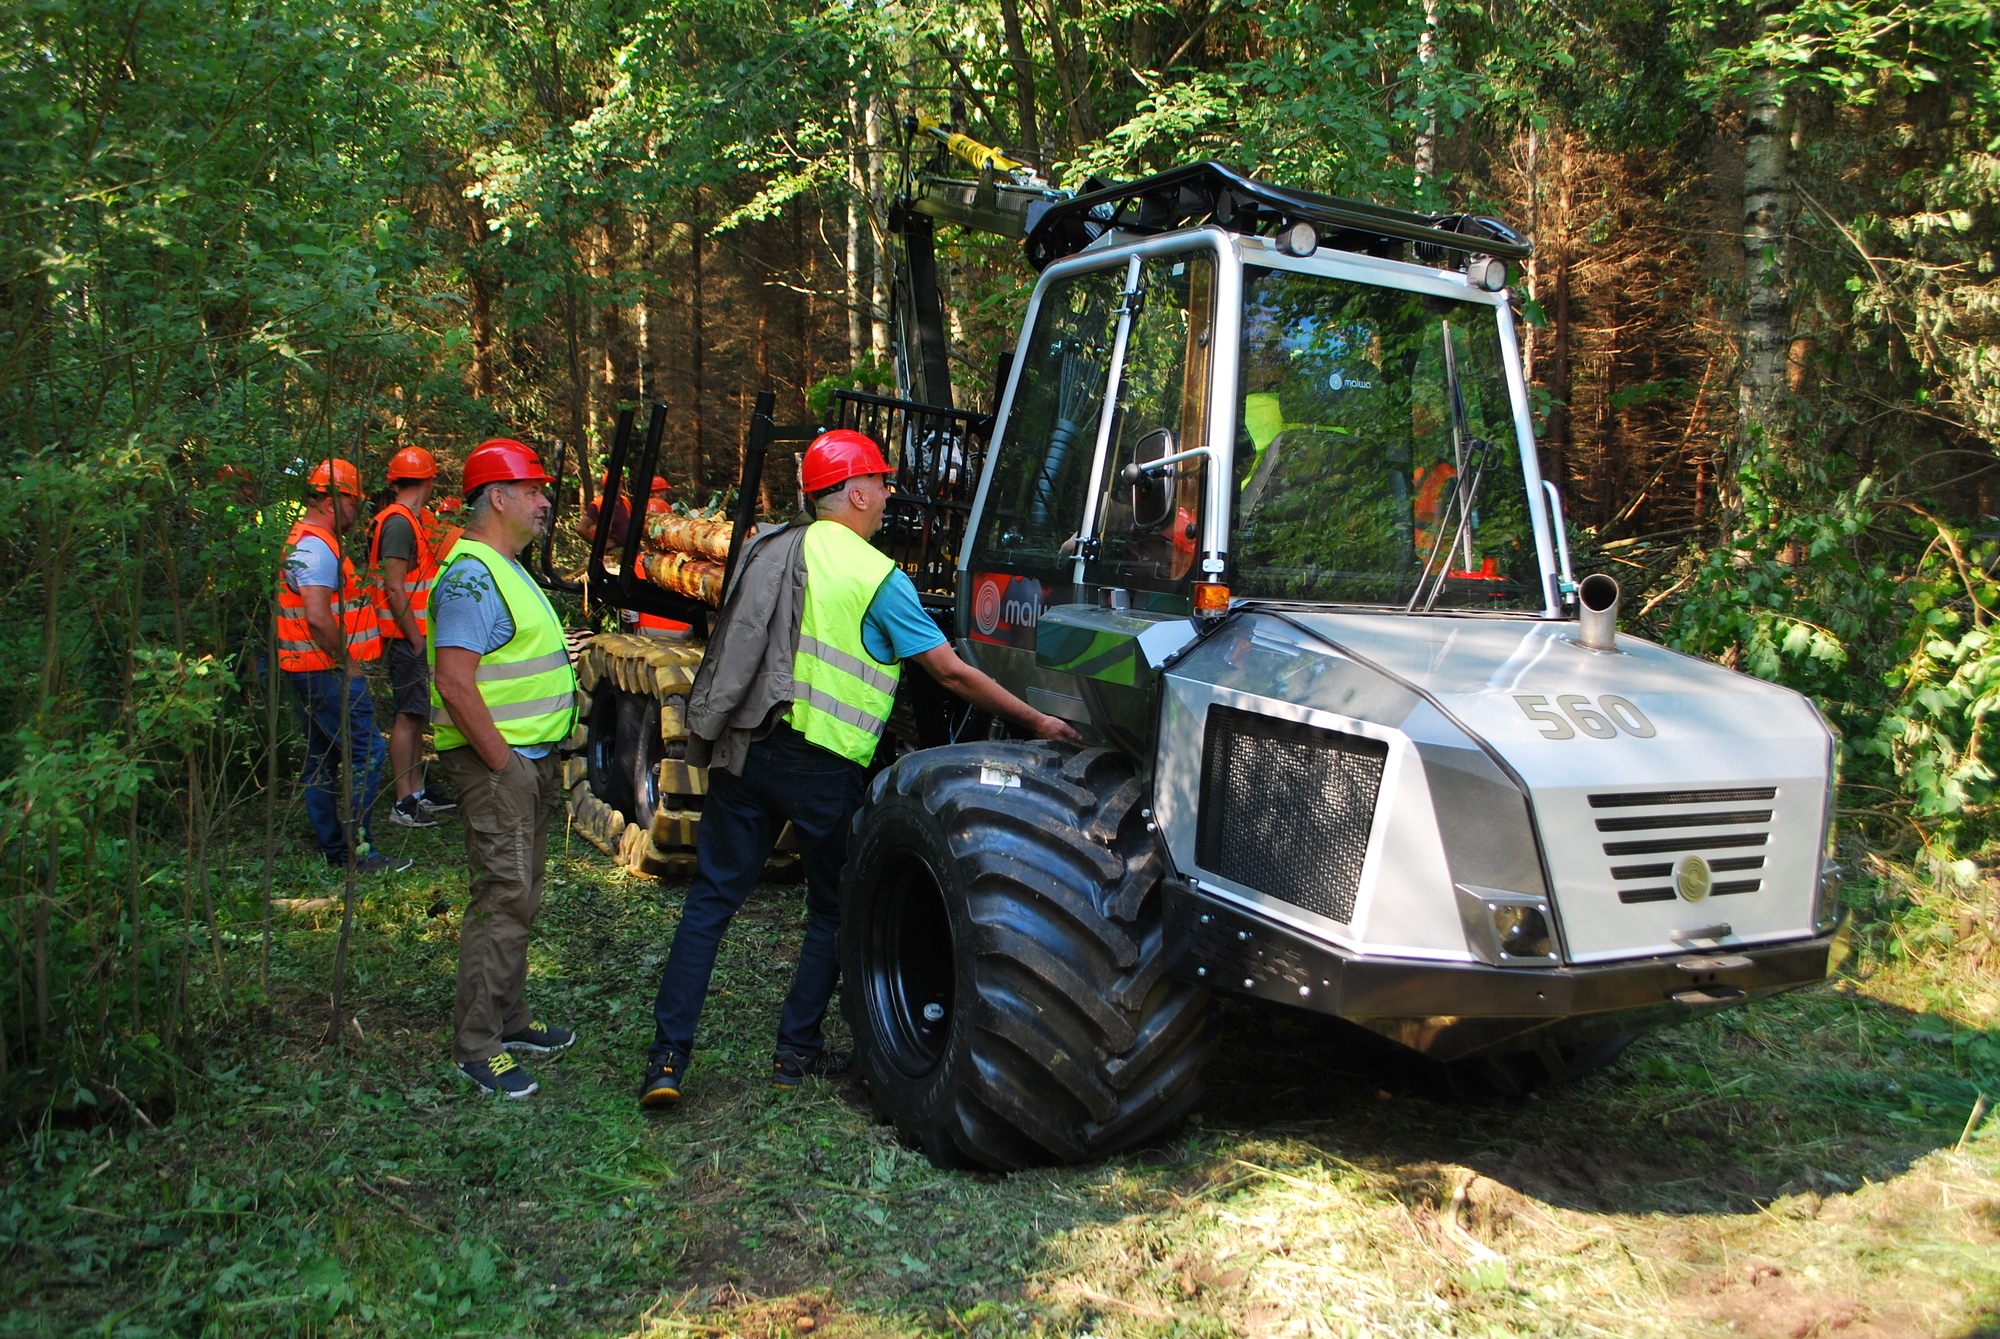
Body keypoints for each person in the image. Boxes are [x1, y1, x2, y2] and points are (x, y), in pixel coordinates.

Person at [636, 429, 1081, 1109]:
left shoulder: (770, 546)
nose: (887, 494)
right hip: (822, 768)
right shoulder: (879, 577)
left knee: (710, 902)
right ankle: (795, 1054)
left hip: (748, 746)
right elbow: (952, 674)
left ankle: (666, 1060)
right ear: (853, 490)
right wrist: (1039, 721)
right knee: (833, 907)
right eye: (880, 481)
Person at [429, 438, 581, 1099]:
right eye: (533, 489)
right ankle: (477, 1043)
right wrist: (504, 764)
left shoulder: (505, 565)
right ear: (497, 496)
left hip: (527, 764)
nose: (545, 500)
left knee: (523, 893)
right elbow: (454, 682)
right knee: (502, 900)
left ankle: (510, 1017)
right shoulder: (470, 576)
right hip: (500, 766)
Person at [277, 458, 404, 874]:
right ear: (334, 500)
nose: (358, 512)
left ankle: (333, 849)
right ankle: (357, 851)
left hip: (304, 668)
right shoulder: (316, 546)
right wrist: (347, 663)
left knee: (320, 757)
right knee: (369, 751)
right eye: (355, 502)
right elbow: (317, 616)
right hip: (323, 671)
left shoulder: (305, 538)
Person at [370, 446, 458, 828]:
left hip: (414, 634)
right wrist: (416, 638)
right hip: (407, 636)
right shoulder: (399, 523)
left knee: (418, 713)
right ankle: (403, 800)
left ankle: (417, 790)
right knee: (407, 716)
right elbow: (393, 585)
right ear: (430, 479)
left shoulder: (410, 519)